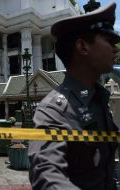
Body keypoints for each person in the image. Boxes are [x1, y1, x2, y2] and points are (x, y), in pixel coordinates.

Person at [28, 2, 120, 190]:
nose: (116, 48)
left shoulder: (99, 99)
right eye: (109, 41)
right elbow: (46, 174)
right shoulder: (54, 110)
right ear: (83, 46)